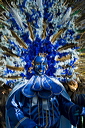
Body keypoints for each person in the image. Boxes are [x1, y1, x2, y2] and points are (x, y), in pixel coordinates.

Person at [6, 55, 82, 128]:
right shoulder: (23, 87)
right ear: (33, 65)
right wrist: (27, 124)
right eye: (38, 64)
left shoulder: (55, 85)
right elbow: (13, 107)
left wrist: (75, 109)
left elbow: (64, 105)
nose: (41, 67)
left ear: (47, 66)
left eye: (44, 64)